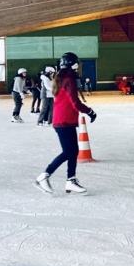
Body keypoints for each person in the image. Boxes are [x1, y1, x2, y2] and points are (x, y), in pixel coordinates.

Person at [34, 52, 96, 195]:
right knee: (69, 151)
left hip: (64, 119)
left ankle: (71, 180)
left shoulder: (62, 77)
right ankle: (44, 176)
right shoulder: (69, 79)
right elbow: (75, 102)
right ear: (73, 64)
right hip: (63, 120)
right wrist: (90, 111)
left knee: (73, 151)